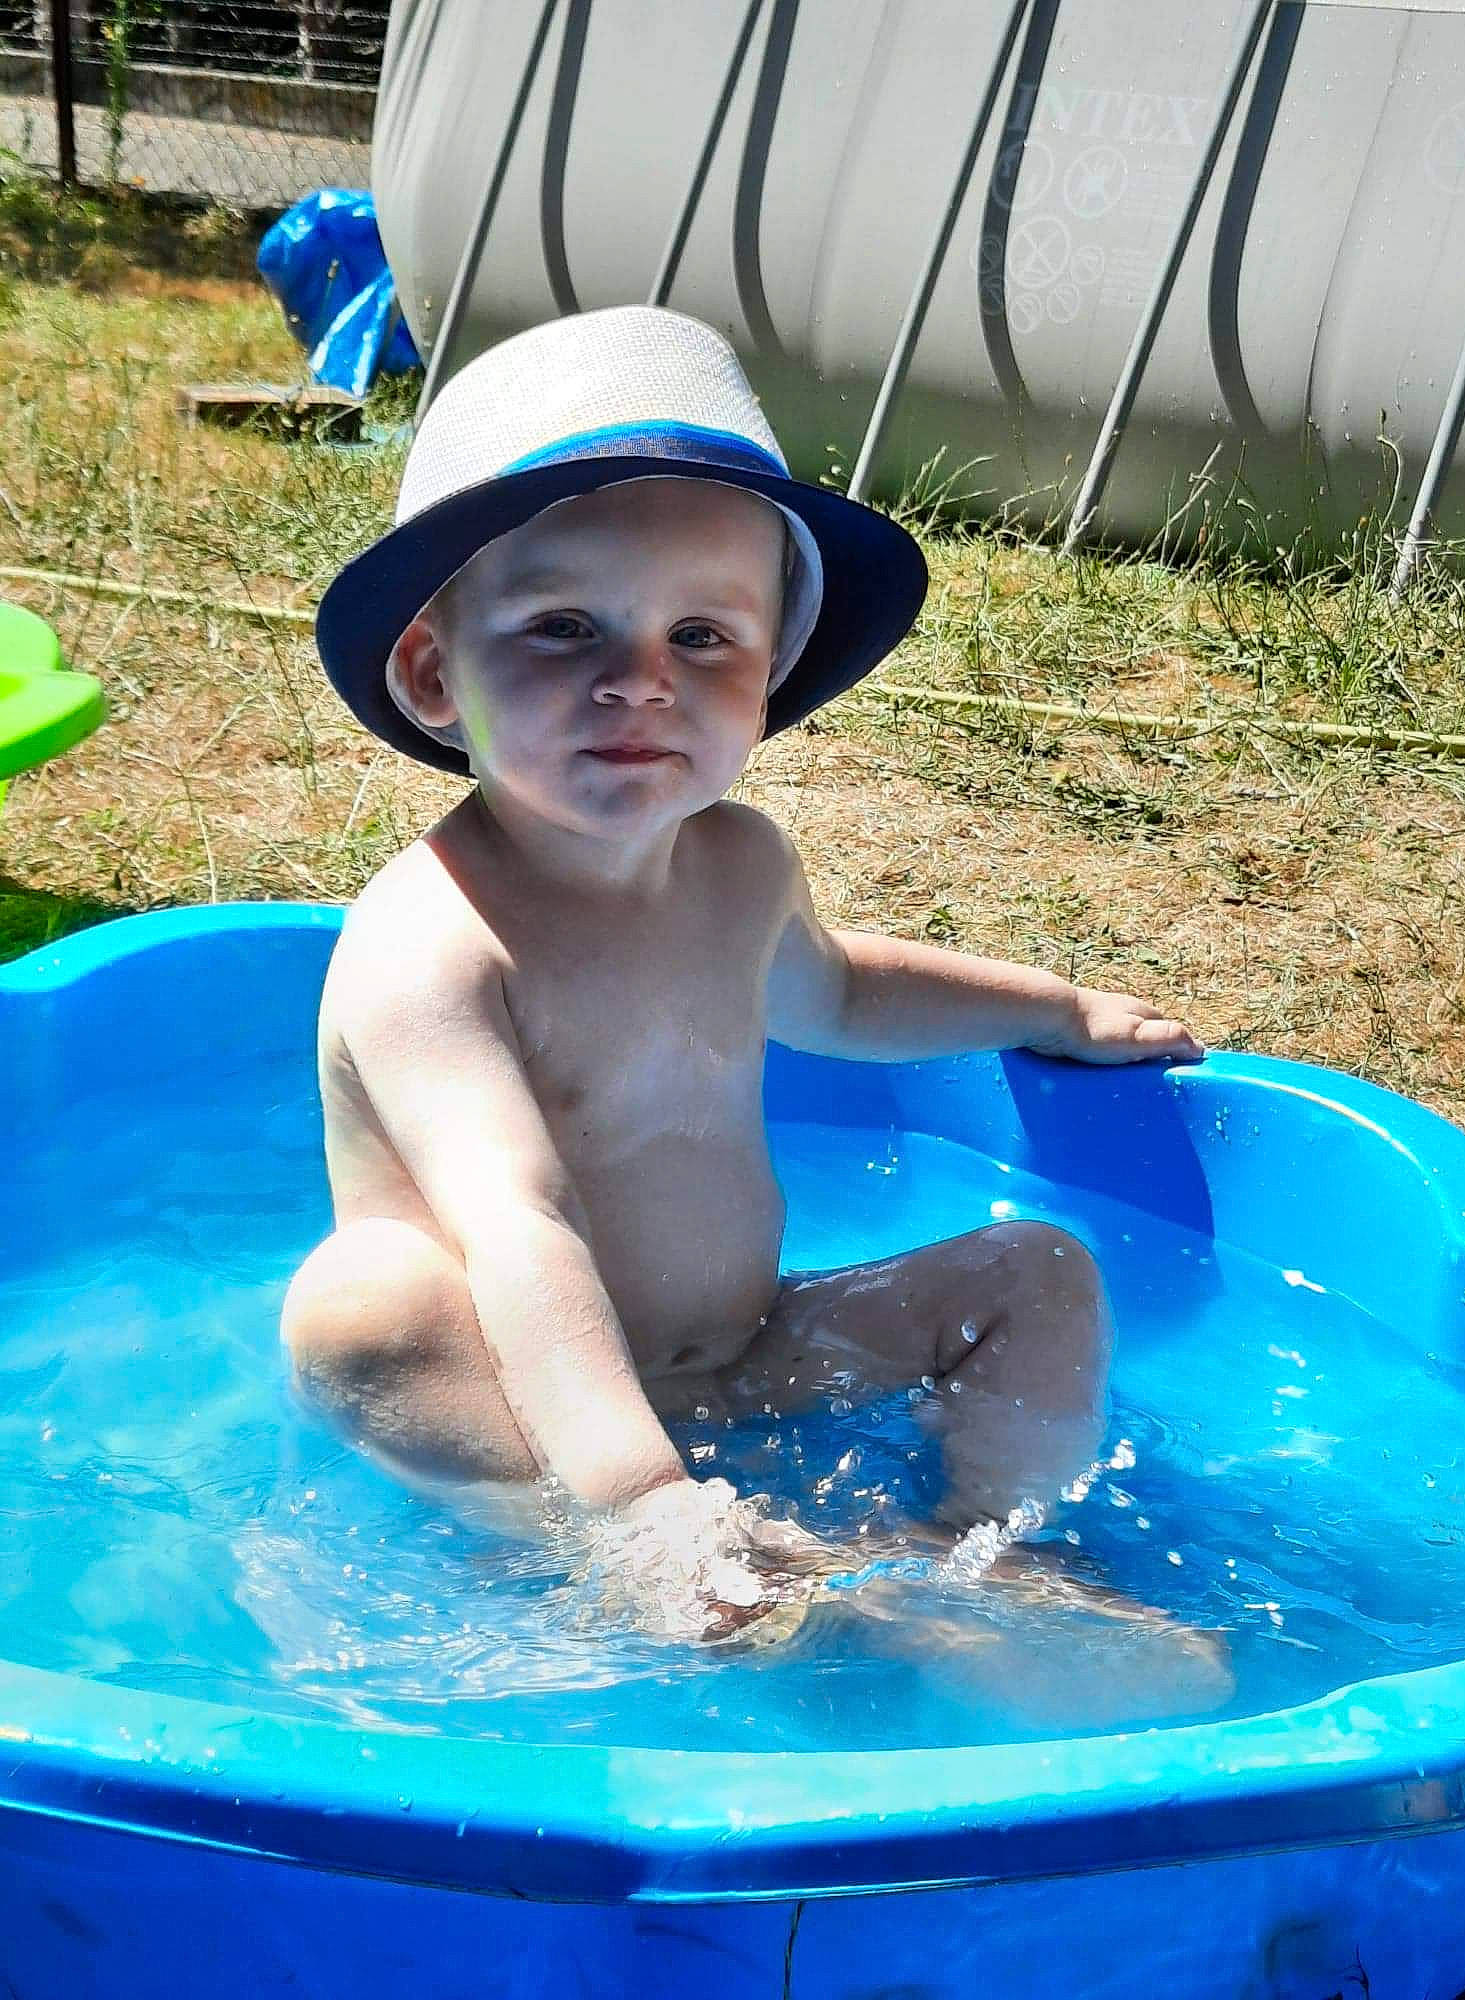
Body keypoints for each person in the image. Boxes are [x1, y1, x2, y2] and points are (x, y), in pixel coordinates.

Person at [285, 306, 1227, 1712]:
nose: (640, 678)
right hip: (515, 1390)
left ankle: (981, 1557)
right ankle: (627, 1559)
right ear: (433, 674)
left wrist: (1052, 1007)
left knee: (1036, 1273)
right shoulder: (433, 948)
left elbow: (840, 991)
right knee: (365, 1303)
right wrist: (640, 1497)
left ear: (771, 668)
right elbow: (519, 1225)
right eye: (563, 627)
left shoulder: (739, 866)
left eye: (702, 634)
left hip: (741, 1351)